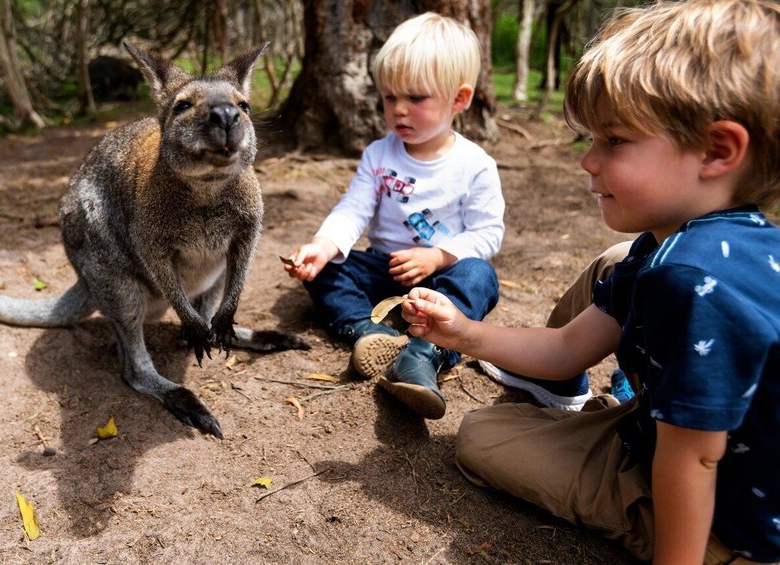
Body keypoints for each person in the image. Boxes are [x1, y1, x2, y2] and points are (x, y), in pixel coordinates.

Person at [401, 0, 780, 562]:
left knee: (483, 436)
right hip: (712, 445)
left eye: (615, 141)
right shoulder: (705, 242)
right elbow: (565, 348)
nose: (588, 162)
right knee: (618, 258)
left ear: (717, 150)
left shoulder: (687, 279)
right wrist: (460, 332)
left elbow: (695, 459)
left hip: (734, 513)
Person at [283, 12, 508, 420]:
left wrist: (439, 256)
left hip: (439, 282)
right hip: (385, 268)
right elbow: (354, 208)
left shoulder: (474, 165)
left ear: (458, 99)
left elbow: (488, 232)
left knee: (479, 276)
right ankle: (372, 334)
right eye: (390, 97)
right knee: (329, 270)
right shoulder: (378, 155)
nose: (399, 110)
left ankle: (424, 355)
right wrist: (322, 245)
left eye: (416, 98)